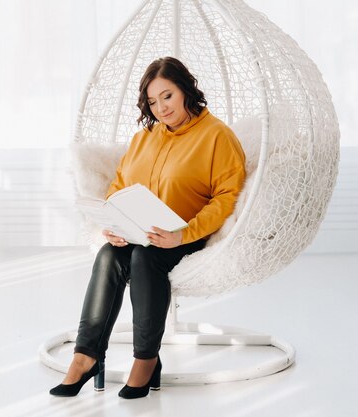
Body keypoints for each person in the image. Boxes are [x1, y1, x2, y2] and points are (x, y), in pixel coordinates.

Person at [50, 57, 246, 399]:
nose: (161, 108)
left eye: (167, 96)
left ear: (186, 90)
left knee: (146, 258)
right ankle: (86, 356)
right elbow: (120, 186)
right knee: (110, 256)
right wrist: (115, 224)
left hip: (186, 234)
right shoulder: (145, 138)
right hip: (139, 232)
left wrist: (183, 234)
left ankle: (146, 360)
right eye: (153, 102)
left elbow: (227, 197)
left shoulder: (217, 136)